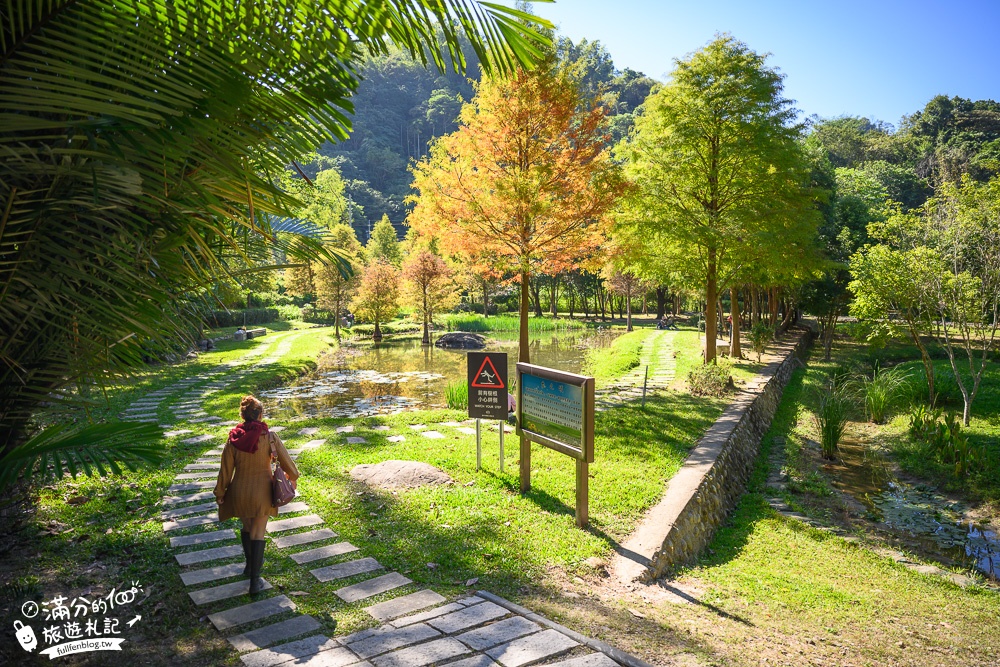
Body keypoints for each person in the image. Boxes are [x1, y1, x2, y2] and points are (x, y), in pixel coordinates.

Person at [214, 395, 299, 595]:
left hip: (239, 493)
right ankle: (255, 582)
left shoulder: (233, 438)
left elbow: (225, 471)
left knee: (247, 526)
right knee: (258, 532)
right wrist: (292, 476)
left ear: (243, 415)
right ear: (260, 415)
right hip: (263, 493)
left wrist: (220, 493)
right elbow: (288, 464)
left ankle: (249, 567)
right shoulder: (270, 437)